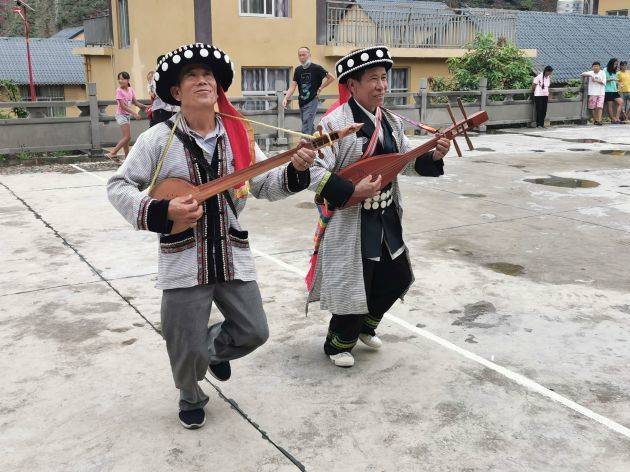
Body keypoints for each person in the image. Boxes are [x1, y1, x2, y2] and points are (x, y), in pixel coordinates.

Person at [107, 43, 316, 429]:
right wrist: (162, 211)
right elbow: (118, 186)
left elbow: (265, 185)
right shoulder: (158, 139)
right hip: (184, 257)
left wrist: (297, 170)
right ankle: (191, 393)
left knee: (254, 331)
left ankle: (210, 354)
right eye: (192, 76)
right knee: (180, 337)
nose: (203, 81)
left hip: (232, 252)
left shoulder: (237, 136)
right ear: (175, 92)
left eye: (209, 76)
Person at [304, 46, 451, 368]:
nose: (382, 86)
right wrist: (351, 189)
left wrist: (434, 156)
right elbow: (313, 170)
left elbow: (406, 161)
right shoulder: (335, 123)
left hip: (386, 214)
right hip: (351, 218)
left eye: (384, 78)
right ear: (352, 85)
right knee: (355, 282)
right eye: (373, 79)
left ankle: (366, 326)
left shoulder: (392, 121)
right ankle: (337, 342)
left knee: (397, 276)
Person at [282, 46, 335, 135]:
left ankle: (304, 144)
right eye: (300, 55)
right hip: (302, 101)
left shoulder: (316, 68)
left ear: (309, 55)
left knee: (306, 125)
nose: (302, 57)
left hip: (312, 100)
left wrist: (320, 88)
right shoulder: (298, 70)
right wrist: (286, 98)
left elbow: (331, 78)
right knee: (307, 125)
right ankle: (316, 142)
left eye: (304, 55)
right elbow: (293, 85)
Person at [107, 71, 149, 160]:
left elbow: (135, 102)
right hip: (121, 115)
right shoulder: (119, 91)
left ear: (127, 80)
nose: (120, 81)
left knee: (126, 138)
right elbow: (122, 106)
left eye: (123, 79)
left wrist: (146, 107)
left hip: (126, 116)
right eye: (119, 79)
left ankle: (127, 158)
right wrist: (134, 114)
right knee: (127, 137)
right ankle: (113, 153)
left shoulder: (131, 90)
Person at [149, 55, 180, 127]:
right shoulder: (157, 76)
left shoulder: (169, 73)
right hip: (162, 109)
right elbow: (154, 93)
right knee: (162, 131)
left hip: (167, 109)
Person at [581, 62, 606, 126]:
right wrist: (590, 75)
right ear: (592, 67)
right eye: (594, 66)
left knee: (599, 107)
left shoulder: (602, 73)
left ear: (599, 67)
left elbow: (603, 82)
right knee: (592, 107)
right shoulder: (591, 72)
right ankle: (596, 120)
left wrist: (595, 80)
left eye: (597, 66)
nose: (596, 67)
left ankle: (599, 120)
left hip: (601, 92)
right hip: (592, 92)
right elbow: (582, 74)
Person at [604, 58, 623, 124]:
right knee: (610, 105)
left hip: (614, 90)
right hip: (608, 90)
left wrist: (618, 84)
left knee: (621, 102)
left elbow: (615, 80)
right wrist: (611, 79)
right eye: (615, 64)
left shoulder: (614, 71)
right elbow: (604, 80)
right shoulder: (605, 70)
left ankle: (617, 118)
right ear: (611, 63)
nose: (616, 65)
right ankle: (613, 119)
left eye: (616, 64)